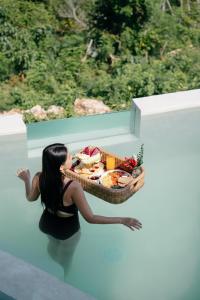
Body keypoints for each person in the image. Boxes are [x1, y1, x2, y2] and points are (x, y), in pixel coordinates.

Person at [16, 143, 142, 240]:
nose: (72, 157)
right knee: (66, 262)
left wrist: (26, 180)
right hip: (66, 230)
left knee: (52, 247)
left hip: (46, 224)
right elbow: (90, 218)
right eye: (69, 157)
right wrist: (122, 220)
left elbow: (30, 198)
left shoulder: (38, 177)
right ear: (61, 166)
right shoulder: (73, 186)